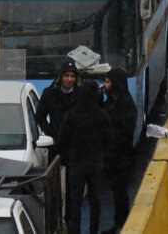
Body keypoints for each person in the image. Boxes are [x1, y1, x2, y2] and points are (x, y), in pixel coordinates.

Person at [57, 81, 112, 234]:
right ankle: (93, 230)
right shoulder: (101, 115)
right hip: (95, 164)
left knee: (75, 201)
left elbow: (62, 139)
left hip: (76, 164)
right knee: (95, 200)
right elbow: (108, 139)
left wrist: (68, 156)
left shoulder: (72, 114)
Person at [101, 68, 137, 232]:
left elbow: (123, 131)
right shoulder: (114, 100)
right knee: (117, 190)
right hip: (113, 156)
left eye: (107, 82)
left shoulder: (125, 103)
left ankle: (122, 223)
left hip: (120, 157)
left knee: (120, 190)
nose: (104, 85)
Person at [36, 61, 82, 157]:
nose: (69, 79)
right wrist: (50, 132)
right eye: (66, 75)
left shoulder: (81, 94)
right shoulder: (49, 93)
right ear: (61, 76)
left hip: (76, 145)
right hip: (56, 144)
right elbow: (40, 116)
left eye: (72, 76)